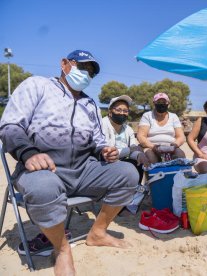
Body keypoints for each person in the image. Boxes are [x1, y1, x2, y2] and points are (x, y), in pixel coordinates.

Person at [0, 50, 139, 275]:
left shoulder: (90, 103)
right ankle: (62, 249)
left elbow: (97, 139)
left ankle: (98, 233)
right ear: (65, 64)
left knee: (129, 173)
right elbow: (10, 126)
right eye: (82, 67)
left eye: (91, 72)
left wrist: (104, 150)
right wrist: (28, 152)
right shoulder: (37, 86)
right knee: (44, 187)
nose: (87, 74)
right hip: (43, 167)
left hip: (83, 169)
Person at [102, 95, 149, 184]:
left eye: (125, 111)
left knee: (138, 160)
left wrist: (139, 155)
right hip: (106, 162)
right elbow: (108, 153)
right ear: (110, 112)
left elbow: (133, 150)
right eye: (118, 110)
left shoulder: (128, 129)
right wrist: (130, 150)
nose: (122, 113)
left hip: (122, 160)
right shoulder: (103, 125)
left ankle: (136, 189)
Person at [137, 92, 186, 163]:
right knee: (151, 158)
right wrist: (153, 147)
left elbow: (181, 136)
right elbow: (141, 136)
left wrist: (175, 145)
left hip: (171, 147)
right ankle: (152, 174)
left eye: (164, 102)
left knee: (180, 155)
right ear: (154, 103)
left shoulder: (174, 116)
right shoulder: (147, 116)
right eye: (158, 102)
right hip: (151, 147)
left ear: (168, 104)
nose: (161, 104)